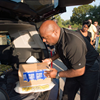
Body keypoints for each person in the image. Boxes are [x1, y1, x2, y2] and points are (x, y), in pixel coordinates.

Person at [39, 20, 99, 100]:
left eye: (45, 37)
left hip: (89, 69)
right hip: (74, 67)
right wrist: (50, 59)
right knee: (66, 96)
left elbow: (80, 71)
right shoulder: (60, 36)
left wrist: (57, 74)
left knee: (87, 97)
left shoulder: (72, 43)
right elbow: (60, 51)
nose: (43, 40)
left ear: (55, 32)